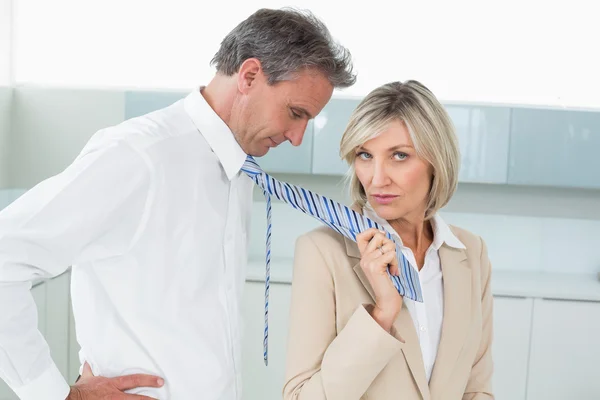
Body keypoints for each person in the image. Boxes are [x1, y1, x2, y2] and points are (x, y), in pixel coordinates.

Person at [0, 7, 355, 400]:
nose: (297, 138)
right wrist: (53, 395)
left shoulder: (237, 167)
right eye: (295, 113)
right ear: (250, 76)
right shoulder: (139, 155)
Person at [283, 81, 494, 400]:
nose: (376, 178)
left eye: (398, 155)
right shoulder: (323, 252)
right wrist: (382, 313)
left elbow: (476, 388)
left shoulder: (470, 253)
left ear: (436, 160)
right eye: (365, 155)